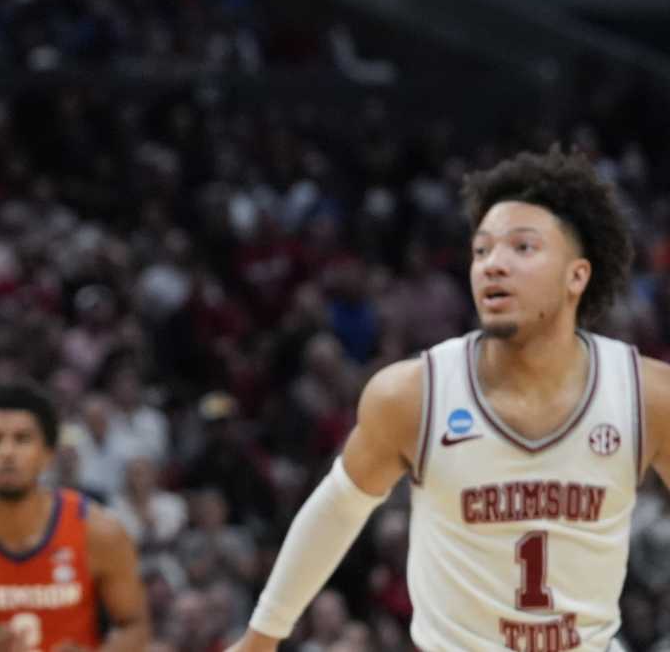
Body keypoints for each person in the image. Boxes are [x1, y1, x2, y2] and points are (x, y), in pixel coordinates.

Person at [223, 149, 670, 652]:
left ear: (577, 276)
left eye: (523, 248)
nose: (494, 265)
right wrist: (262, 637)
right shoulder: (413, 394)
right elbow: (338, 509)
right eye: (482, 251)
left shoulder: (647, 396)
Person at [0, 382, 151, 652]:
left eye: (22, 439)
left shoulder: (100, 532)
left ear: (48, 454)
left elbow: (135, 627)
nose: (7, 452)